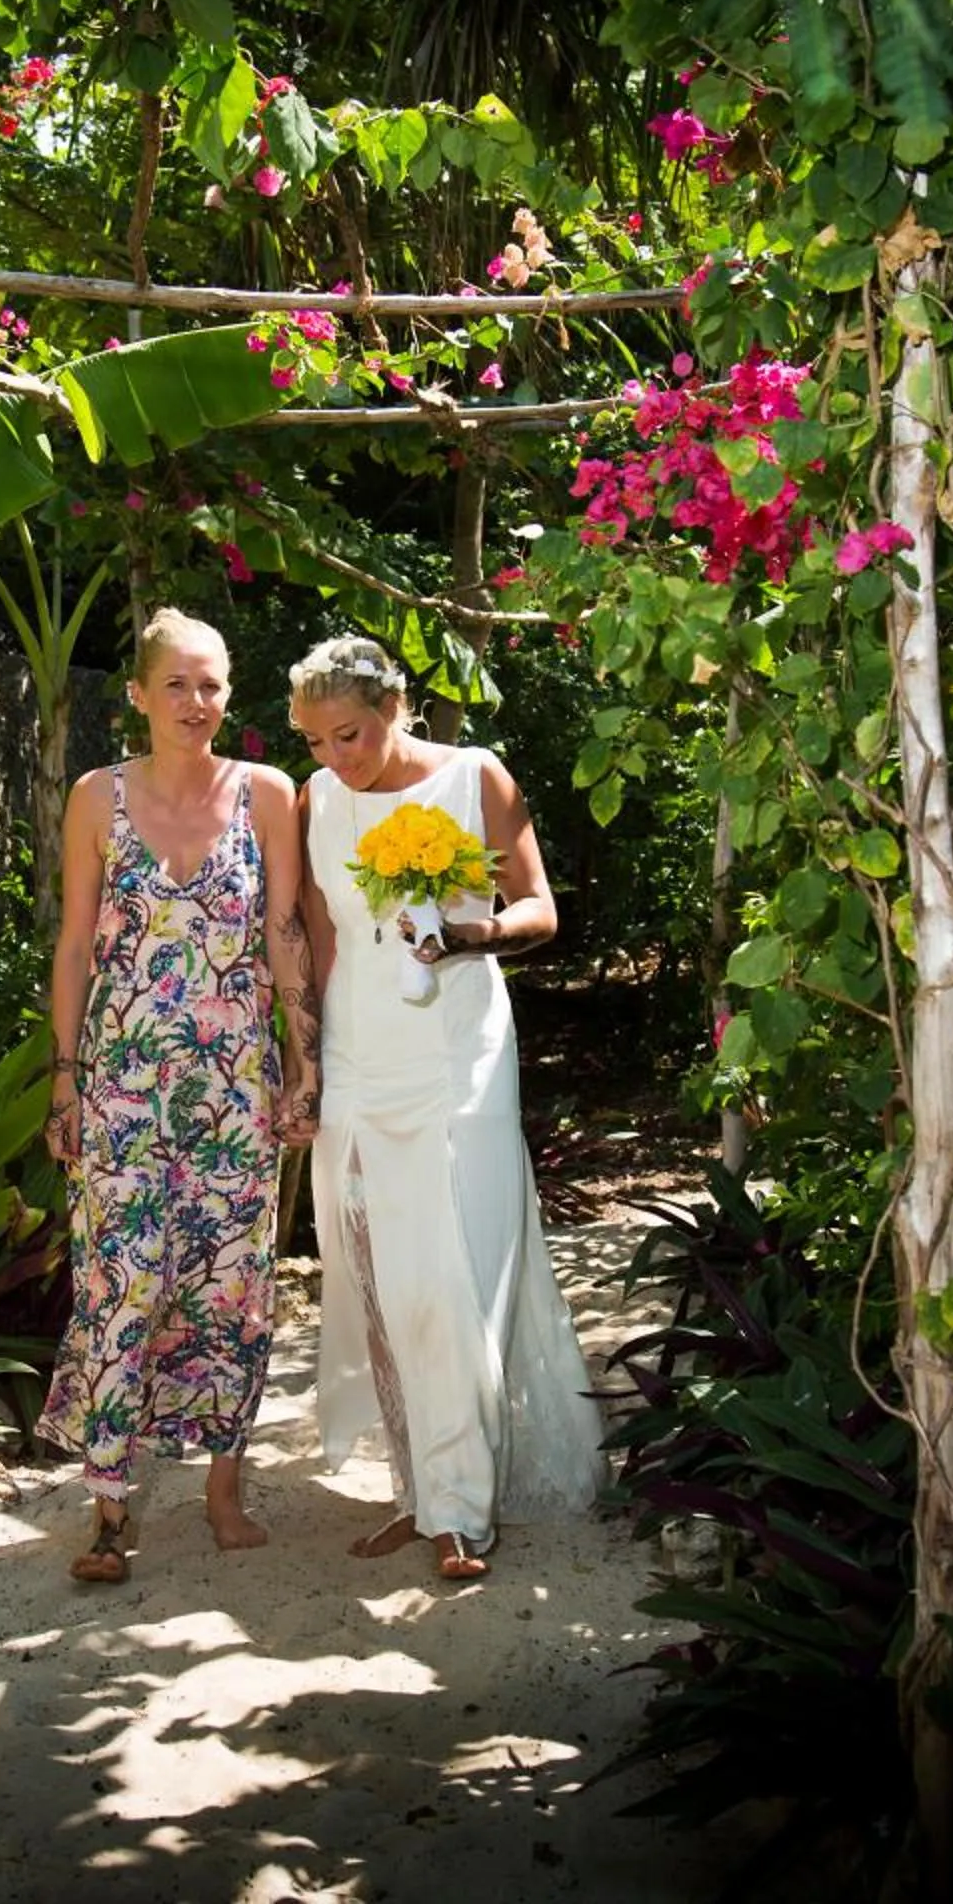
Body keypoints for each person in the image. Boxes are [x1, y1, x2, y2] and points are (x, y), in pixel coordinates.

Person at [288, 636, 604, 1580]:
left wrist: (477, 934)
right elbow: (318, 933)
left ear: (397, 705)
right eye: (314, 743)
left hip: (460, 1052)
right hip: (359, 1053)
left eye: (349, 734)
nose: (335, 759)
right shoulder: (319, 801)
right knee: (377, 1271)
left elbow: (542, 907)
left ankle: (463, 1508)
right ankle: (418, 1490)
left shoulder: (475, 777)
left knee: (453, 1273)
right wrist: (309, 1062)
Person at [36, 608, 319, 1584]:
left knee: (234, 1281)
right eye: (178, 685)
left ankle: (225, 1491)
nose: (197, 703)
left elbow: (285, 932)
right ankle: (110, 1508)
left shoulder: (267, 793)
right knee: (123, 1280)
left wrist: (302, 1059)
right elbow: (75, 945)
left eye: (212, 685)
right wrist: (65, 1078)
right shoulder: (95, 797)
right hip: (120, 1085)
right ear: (139, 695)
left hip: (235, 1087)